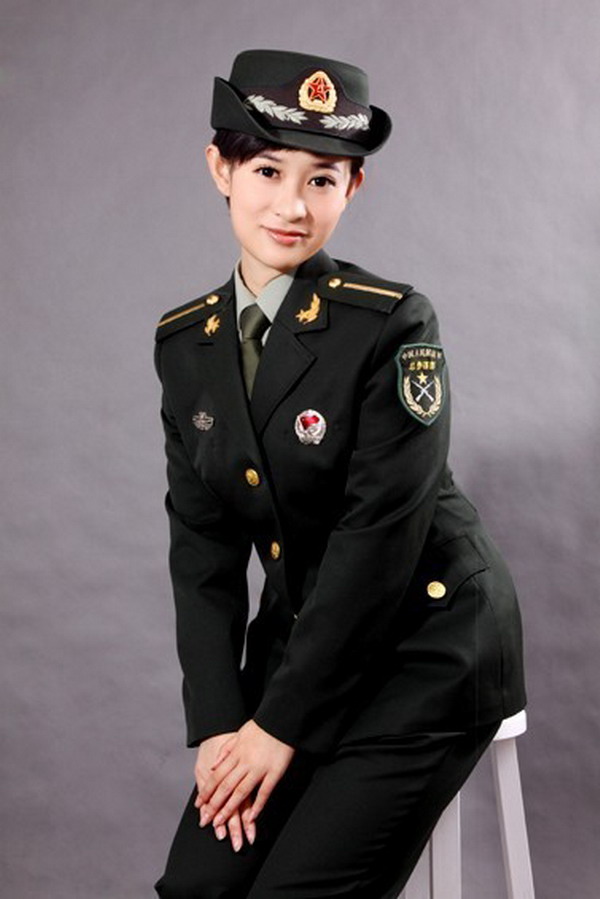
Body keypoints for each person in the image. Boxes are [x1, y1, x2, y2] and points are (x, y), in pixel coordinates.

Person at [153, 49, 526, 899]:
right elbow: (201, 549)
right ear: (220, 168)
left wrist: (279, 726)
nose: (292, 205)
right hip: (306, 647)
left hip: (426, 644)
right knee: (196, 890)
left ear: (353, 188)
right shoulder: (186, 346)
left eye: (322, 180)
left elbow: (376, 544)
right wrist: (221, 723)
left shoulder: (391, 326)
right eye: (268, 170)